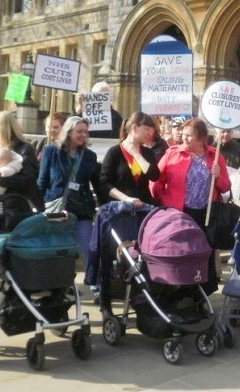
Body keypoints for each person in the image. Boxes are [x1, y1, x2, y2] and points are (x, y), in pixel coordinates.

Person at [151, 118, 231, 294]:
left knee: (202, 255)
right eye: (183, 135)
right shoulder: (172, 153)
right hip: (179, 213)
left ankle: (200, 294)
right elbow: (155, 181)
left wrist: (217, 176)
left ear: (201, 138)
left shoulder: (215, 157)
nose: (184, 139)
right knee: (181, 253)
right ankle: (178, 291)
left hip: (205, 214)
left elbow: (225, 187)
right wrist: (162, 201)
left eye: (189, 136)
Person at [0, 111, 44, 307]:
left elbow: (27, 180)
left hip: (14, 211)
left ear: (3, 129)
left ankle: (15, 295)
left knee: (12, 255)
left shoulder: (25, 150)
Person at [95, 112, 161, 308]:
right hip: (119, 213)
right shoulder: (114, 152)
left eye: (152, 130)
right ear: (134, 128)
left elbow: (154, 175)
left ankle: (140, 297)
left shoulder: (146, 153)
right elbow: (104, 183)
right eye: (147, 129)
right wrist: (126, 199)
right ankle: (107, 300)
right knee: (113, 254)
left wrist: (137, 154)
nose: (151, 133)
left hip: (142, 213)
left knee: (141, 255)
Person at [38, 116, 105, 268]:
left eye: (86, 132)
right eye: (79, 131)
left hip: (81, 209)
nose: (83, 135)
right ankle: (62, 286)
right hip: (57, 209)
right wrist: (37, 207)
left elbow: (98, 184)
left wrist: (103, 206)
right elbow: (42, 182)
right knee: (60, 251)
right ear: (68, 132)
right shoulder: (51, 151)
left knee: (88, 249)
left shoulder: (90, 156)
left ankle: (97, 287)